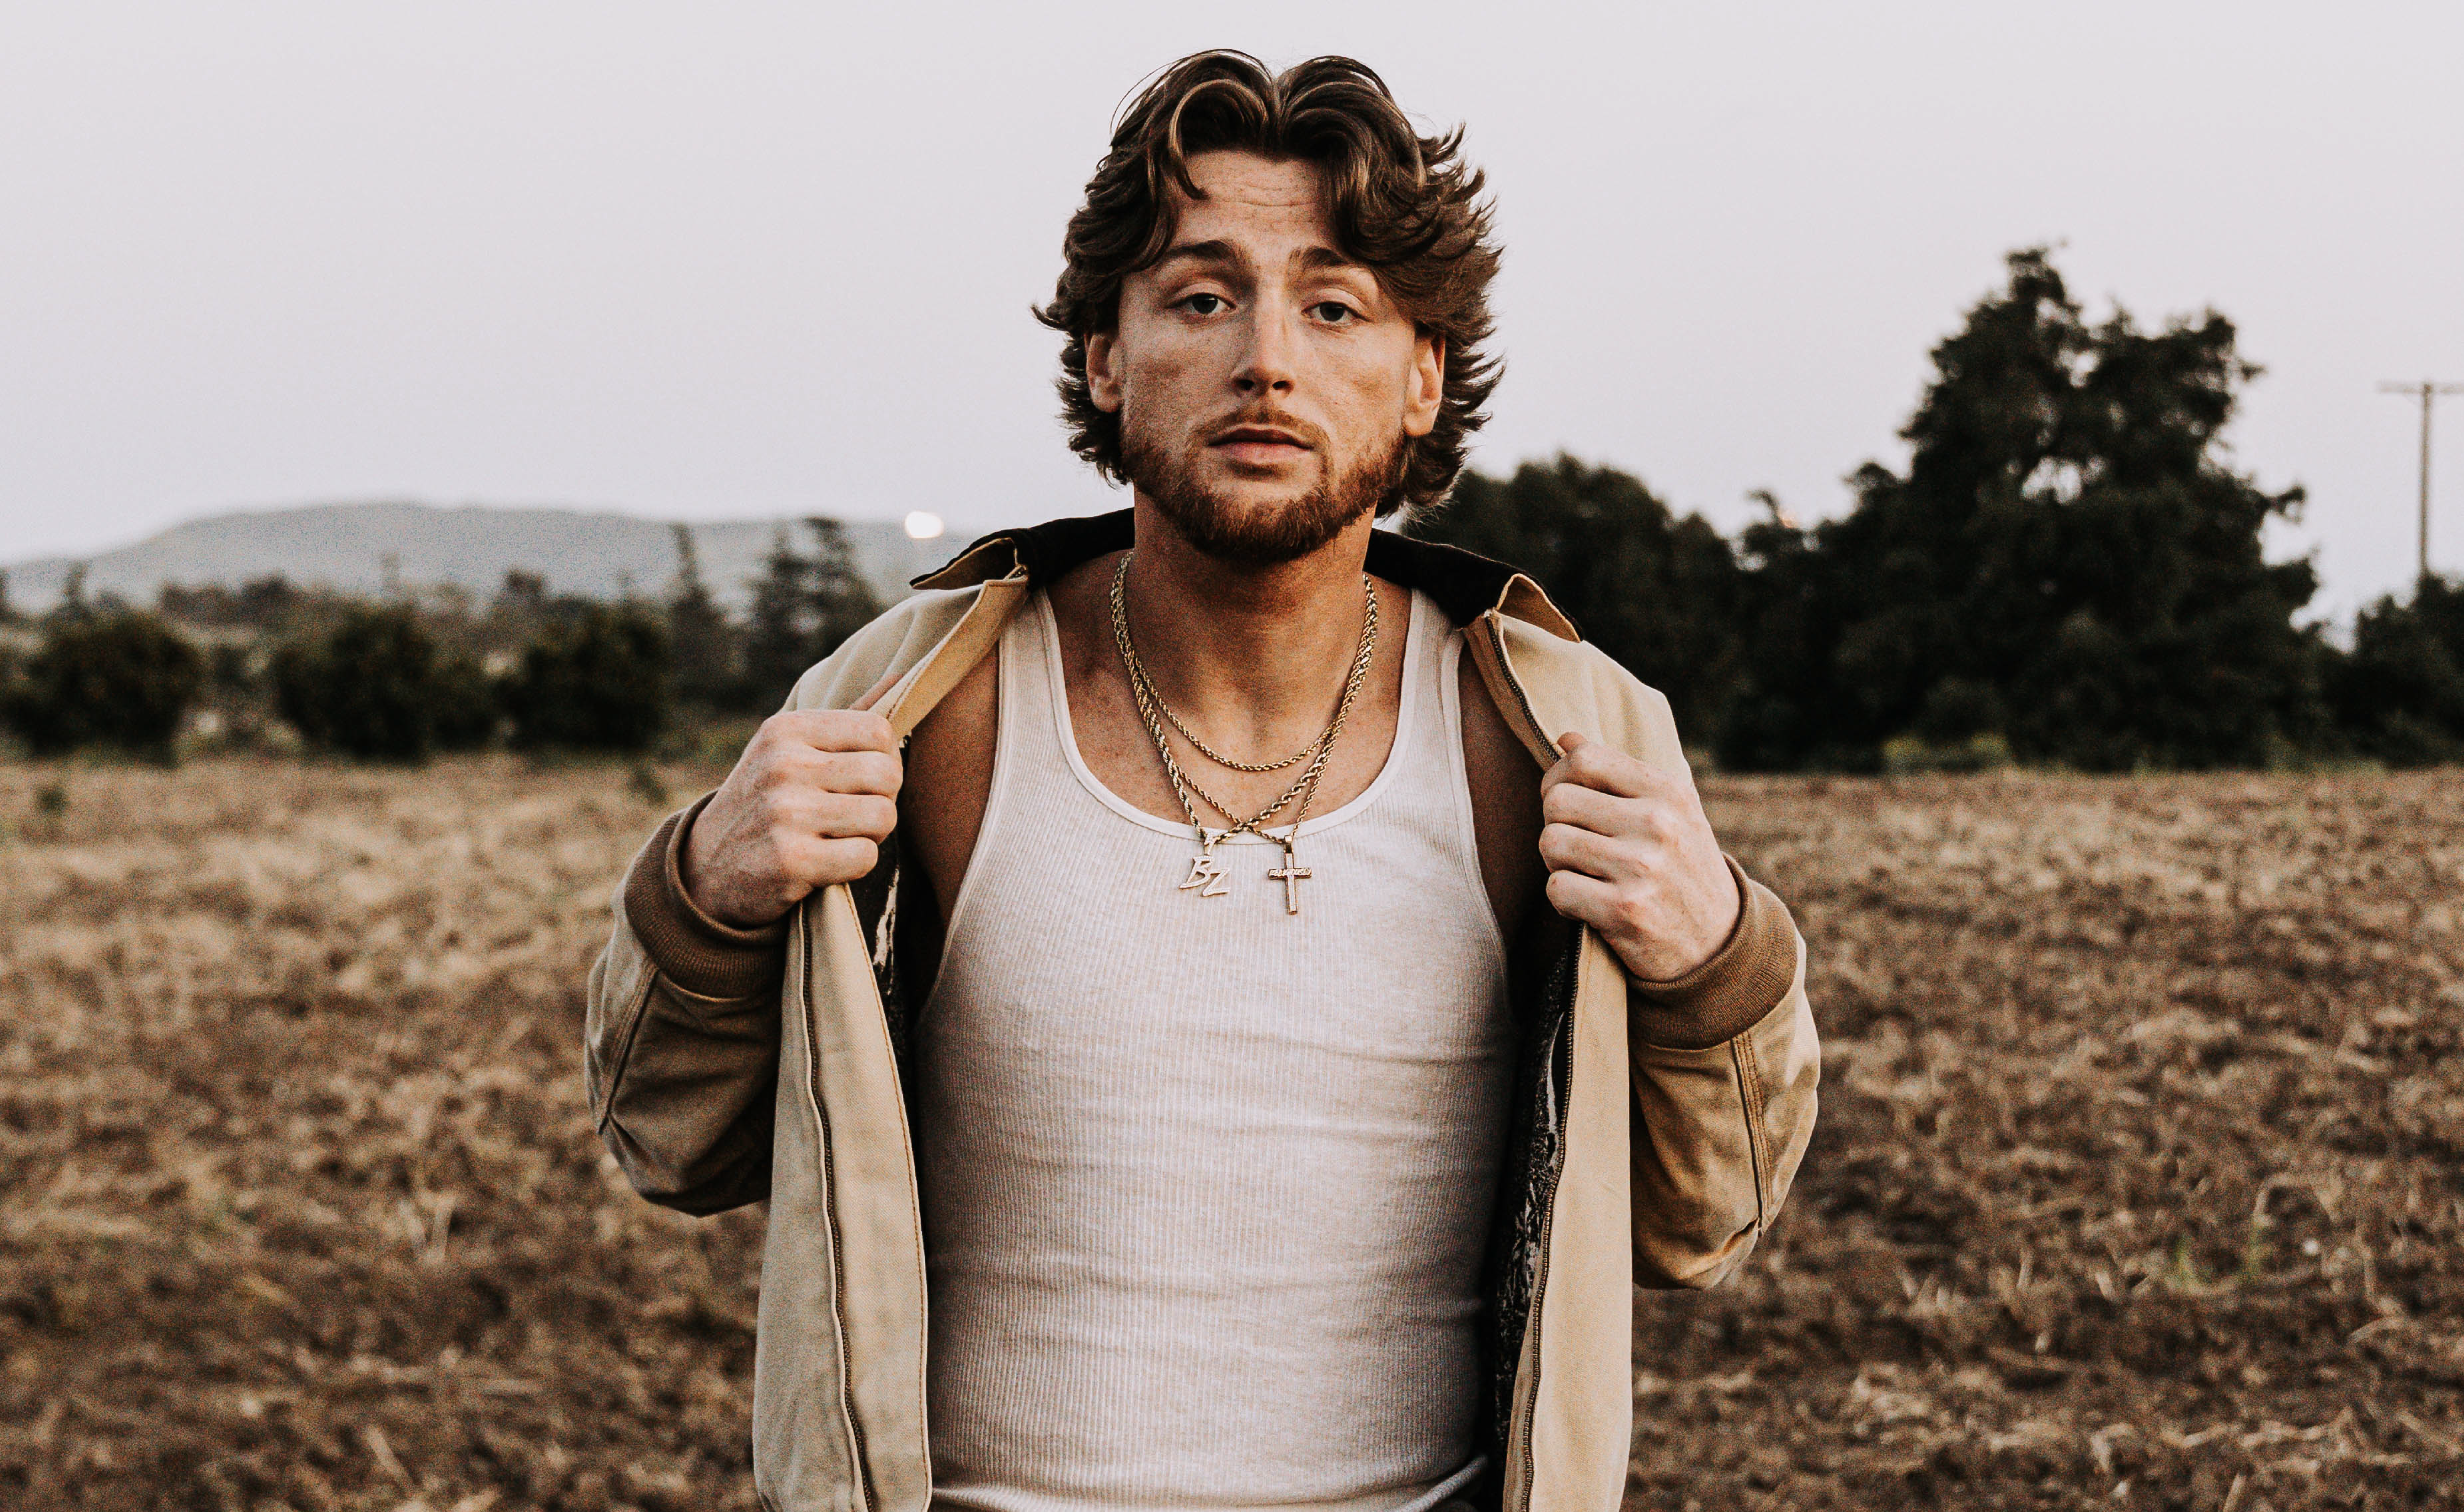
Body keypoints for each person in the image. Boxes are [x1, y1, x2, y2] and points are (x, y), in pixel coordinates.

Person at [586, 50, 1818, 1512]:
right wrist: (704, 896)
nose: (1267, 360)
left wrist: (1721, 965)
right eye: (1201, 294)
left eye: (1335, 303)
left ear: (1422, 374)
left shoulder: (1555, 736)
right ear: (1109, 356)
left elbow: (1706, 1224)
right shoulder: (923, 710)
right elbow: (671, 1145)